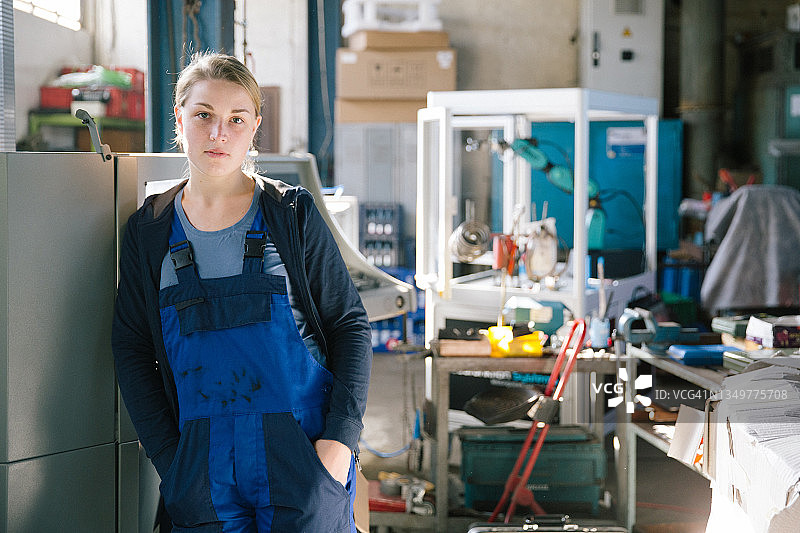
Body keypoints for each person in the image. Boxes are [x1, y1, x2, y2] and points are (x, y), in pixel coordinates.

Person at [112, 51, 372, 532]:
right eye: (203, 115)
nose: (218, 133)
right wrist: (171, 462)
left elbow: (350, 326)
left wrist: (339, 443)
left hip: (303, 459)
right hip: (199, 469)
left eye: (236, 119)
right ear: (180, 118)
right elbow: (131, 349)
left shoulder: (291, 215)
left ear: (254, 126)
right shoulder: (148, 231)